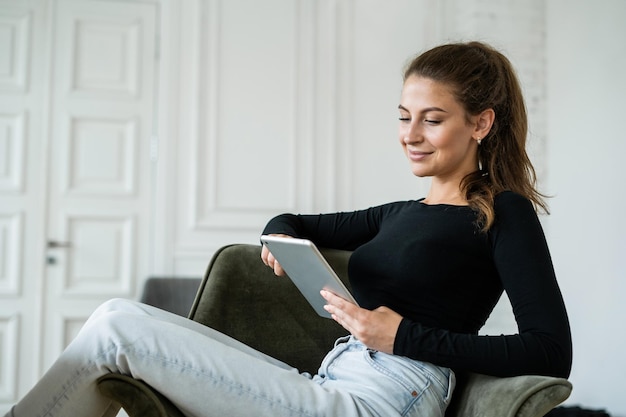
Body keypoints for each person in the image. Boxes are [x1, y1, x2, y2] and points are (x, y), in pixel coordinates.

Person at [5, 41, 572, 417]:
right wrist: (279, 239)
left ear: (481, 122)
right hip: (334, 380)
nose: (411, 134)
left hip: (387, 396)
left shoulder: (503, 212)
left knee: (117, 327)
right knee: (113, 320)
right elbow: (292, 221)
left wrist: (403, 337)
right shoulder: (399, 213)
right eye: (404, 117)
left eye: (432, 118)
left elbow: (550, 351)